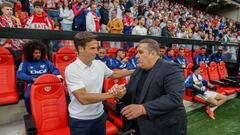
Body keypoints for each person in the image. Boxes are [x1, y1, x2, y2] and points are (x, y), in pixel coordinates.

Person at [64, 32, 134, 135]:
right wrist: (113, 94)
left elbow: (113, 74)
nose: (96, 52)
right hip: (80, 121)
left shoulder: (99, 64)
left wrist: (134, 71)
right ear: (80, 48)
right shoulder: (71, 69)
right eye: (92, 48)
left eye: (96, 48)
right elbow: (83, 98)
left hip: (100, 117)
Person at [119, 39, 187, 135]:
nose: (136, 56)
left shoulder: (171, 68)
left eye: (140, 52)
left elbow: (174, 98)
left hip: (164, 127)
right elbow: (132, 92)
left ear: (153, 53)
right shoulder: (138, 70)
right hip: (142, 127)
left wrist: (143, 109)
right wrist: (120, 93)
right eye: (136, 52)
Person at [16, 40, 62, 114]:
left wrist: (51, 77)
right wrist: (32, 79)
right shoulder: (25, 62)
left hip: (46, 83)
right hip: (33, 84)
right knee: (27, 97)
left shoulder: (45, 61)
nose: (38, 55)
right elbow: (19, 74)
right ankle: (31, 113)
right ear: (30, 53)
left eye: (39, 53)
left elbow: (55, 70)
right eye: (36, 53)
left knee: (58, 94)